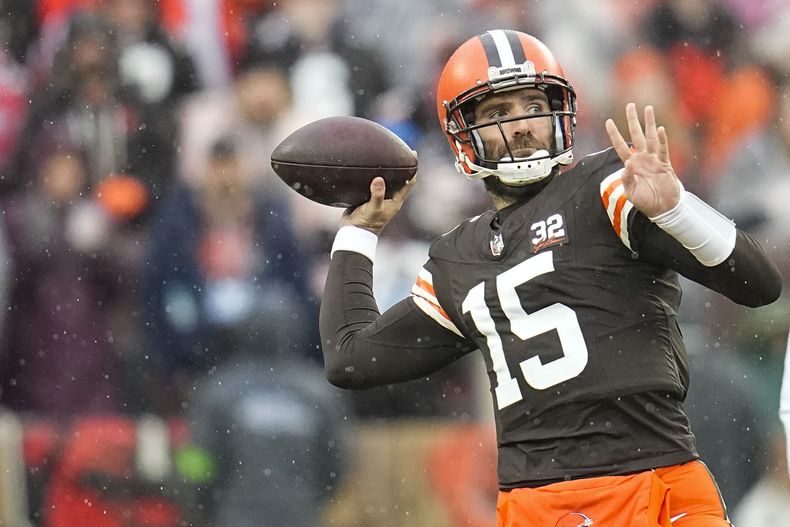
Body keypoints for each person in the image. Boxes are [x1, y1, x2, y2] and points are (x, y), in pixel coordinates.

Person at [317, 30, 783, 526]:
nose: (521, 127)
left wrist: (675, 211)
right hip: (539, 505)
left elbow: (759, 284)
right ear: (461, 134)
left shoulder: (607, 187)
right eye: (497, 113)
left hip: (654, 482)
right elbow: (351, 358)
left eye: (532, 105)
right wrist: (359, 233)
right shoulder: (457, 257)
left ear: (560, 111)